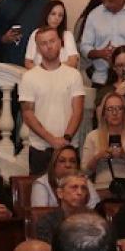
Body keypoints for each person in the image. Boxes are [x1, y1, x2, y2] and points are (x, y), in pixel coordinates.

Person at [20, 28, 87, 174]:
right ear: (38, 48)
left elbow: (78, 111)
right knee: (40, 194)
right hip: (40, 149)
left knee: (72, 193)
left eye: (52, 41)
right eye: (43, 43)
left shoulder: (74, 75)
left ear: (60, 43)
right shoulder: (29, 77)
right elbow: (28, 114)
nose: (49, 46)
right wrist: (52, 140)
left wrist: (66, 139)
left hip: (69, 148)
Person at [82, 91, 125, 195]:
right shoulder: (93, 136)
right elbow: (84, 171)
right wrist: (97, 157)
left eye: (119, 108)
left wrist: (124, 155)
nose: (115, 113)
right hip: (101, 189)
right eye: (110, 109)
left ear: (124, 112)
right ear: (104, 113)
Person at [35, 171, 98, 242]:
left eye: (83, 188)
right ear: (60, 193)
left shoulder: (95, 220)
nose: (80, 192)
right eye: (74, 187)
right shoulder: (48, 222)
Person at [32, 145, 97, 209]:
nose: (68, 165)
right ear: (54, 164)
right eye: (62, 161)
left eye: (72, 161)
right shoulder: (42, 184)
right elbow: (40, 215)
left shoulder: (84, 180)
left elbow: (95, 209)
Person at [24, 0, 80, 71]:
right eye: (53, 14)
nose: (57, 18)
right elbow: (28, 63)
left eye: (60, 15)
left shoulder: (67, 35)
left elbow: (73, 62)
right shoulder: (36, 33)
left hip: (62, 76)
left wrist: (53, 70)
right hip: (40, 77)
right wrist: (43, 72)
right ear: (46, 14)